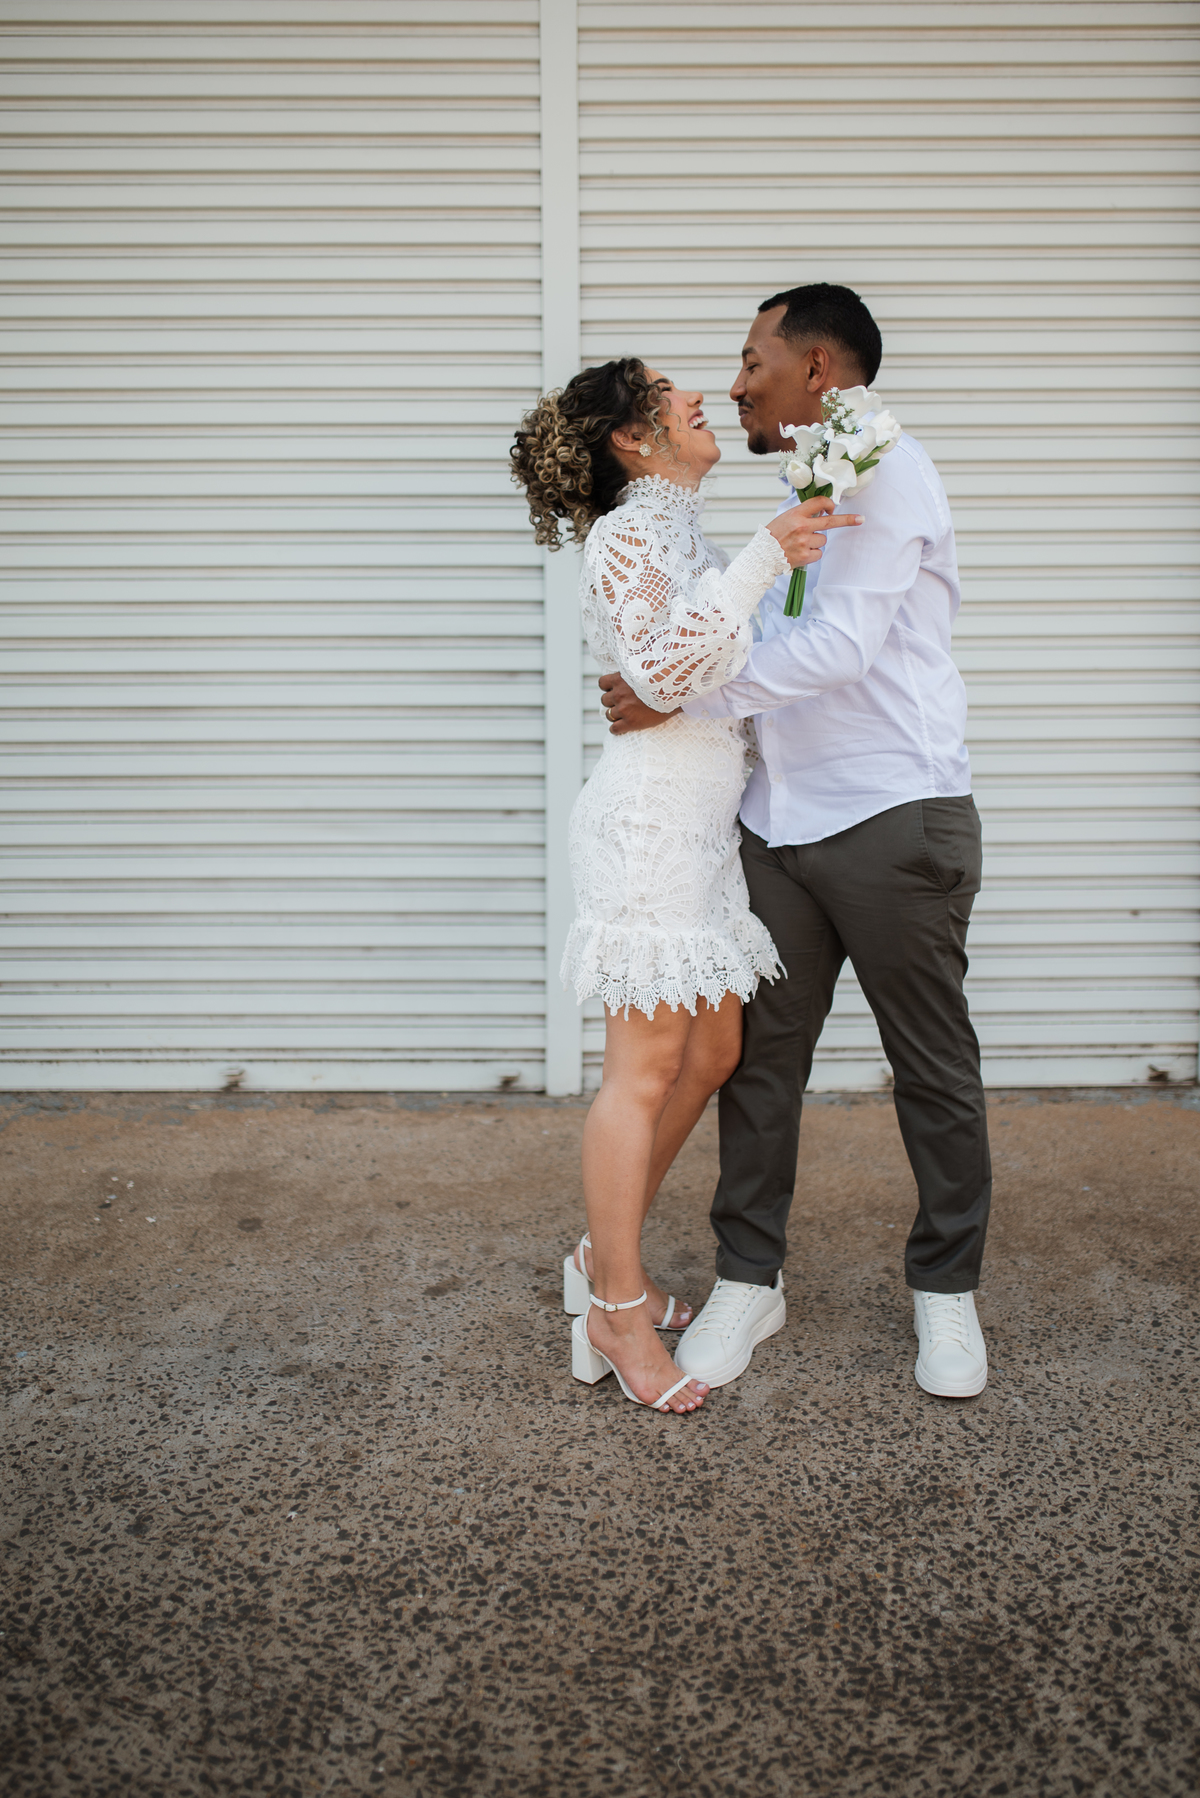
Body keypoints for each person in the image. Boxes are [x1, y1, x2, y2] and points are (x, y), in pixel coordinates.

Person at [599, 284, 992, 1400]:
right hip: (777, 823)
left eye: (751, 360)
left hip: (891, 814)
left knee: (931, 1065)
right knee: (760, 1065)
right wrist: (686, 675)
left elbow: (842, 648)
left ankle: (945, 1289)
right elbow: (764, 630)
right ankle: (748, 1277)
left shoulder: (889, 472)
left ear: (816, 369)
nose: (734, 386)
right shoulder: (806, 481)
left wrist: (678, 697)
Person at [509, 358, 862, 1414]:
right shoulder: (628, 536)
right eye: (667, 391)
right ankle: (616, 1310)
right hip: (651, 830)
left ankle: (596, 1254)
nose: (699, 394)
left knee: (712, 1053)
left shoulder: (679, 534)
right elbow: (664, 670)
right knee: (644, 1069)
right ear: (633, 438)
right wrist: (764, 556)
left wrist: (749, 576)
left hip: (704, 834)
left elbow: (688, 675)